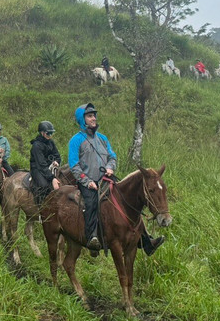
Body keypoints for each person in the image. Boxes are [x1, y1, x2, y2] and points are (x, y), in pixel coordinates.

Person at [68, 103, 164, 256]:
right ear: (82, 119)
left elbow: (112, 156)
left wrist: (110, 167)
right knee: (92, 203)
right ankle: (93, 238)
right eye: (89, 116)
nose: (93, 118)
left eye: (94, 115)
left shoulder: (103, 139)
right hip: (89, 183)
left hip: (106, 179)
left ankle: (146, 241)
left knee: (129, 203)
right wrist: (87, 181)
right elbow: (74, 164)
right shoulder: (76, 140)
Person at [29, 120, 62, 205]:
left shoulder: (51, 142)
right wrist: (52, 178)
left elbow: (57, 155)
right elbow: (41, 165)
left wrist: (56, 161)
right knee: (44, 186)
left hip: (50, 166)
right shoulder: (36, 146)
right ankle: (41, 209)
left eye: (51, 133)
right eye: (48, 133)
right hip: (37, 168)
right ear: (42, 133)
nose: (50, 136)